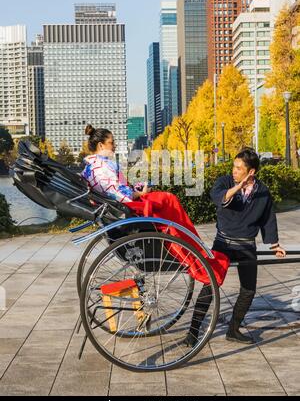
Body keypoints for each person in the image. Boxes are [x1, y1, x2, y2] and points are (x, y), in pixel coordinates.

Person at [81, 124, 229, 287]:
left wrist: (138, 189)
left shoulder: (93, 166)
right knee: (168, 199)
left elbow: (116, 189)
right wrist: (140, 193)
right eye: (112, 142)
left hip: (120, 205)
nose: (115, 145)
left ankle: (191, 245)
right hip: (128, 206)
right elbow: (119, 193)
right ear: (101, 145)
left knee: (165, 198)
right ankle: (194, 250)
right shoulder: (101, 167)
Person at [184, 148, 286, 347]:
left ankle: (233, 329)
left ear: (251, 172)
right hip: (223, 242)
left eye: (239, 168)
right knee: (210, 285)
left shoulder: (262, 191)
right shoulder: (225, 182)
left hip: (247, 244)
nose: (234, 170)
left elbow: (268, 219)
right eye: (234, 166)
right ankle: (193, 332)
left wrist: (274, 244)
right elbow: (219, 198)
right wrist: (238, 187)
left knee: (248, 290)